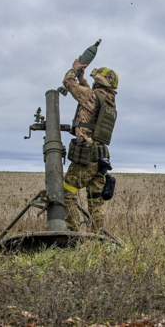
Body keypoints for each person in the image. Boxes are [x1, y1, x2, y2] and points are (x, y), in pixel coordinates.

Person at [61, 56, 118, 233]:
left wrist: (74, 69)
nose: (92, 83)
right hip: (101, 158)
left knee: (66, 193)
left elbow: (67, 83)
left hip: (86, 158)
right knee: (95, 200)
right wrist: (83, 79)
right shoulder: (109, 103)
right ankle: (97, 238)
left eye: (95, 80)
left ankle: (72, 235)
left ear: (100, 82)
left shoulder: (92, 96)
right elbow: (90, 96)